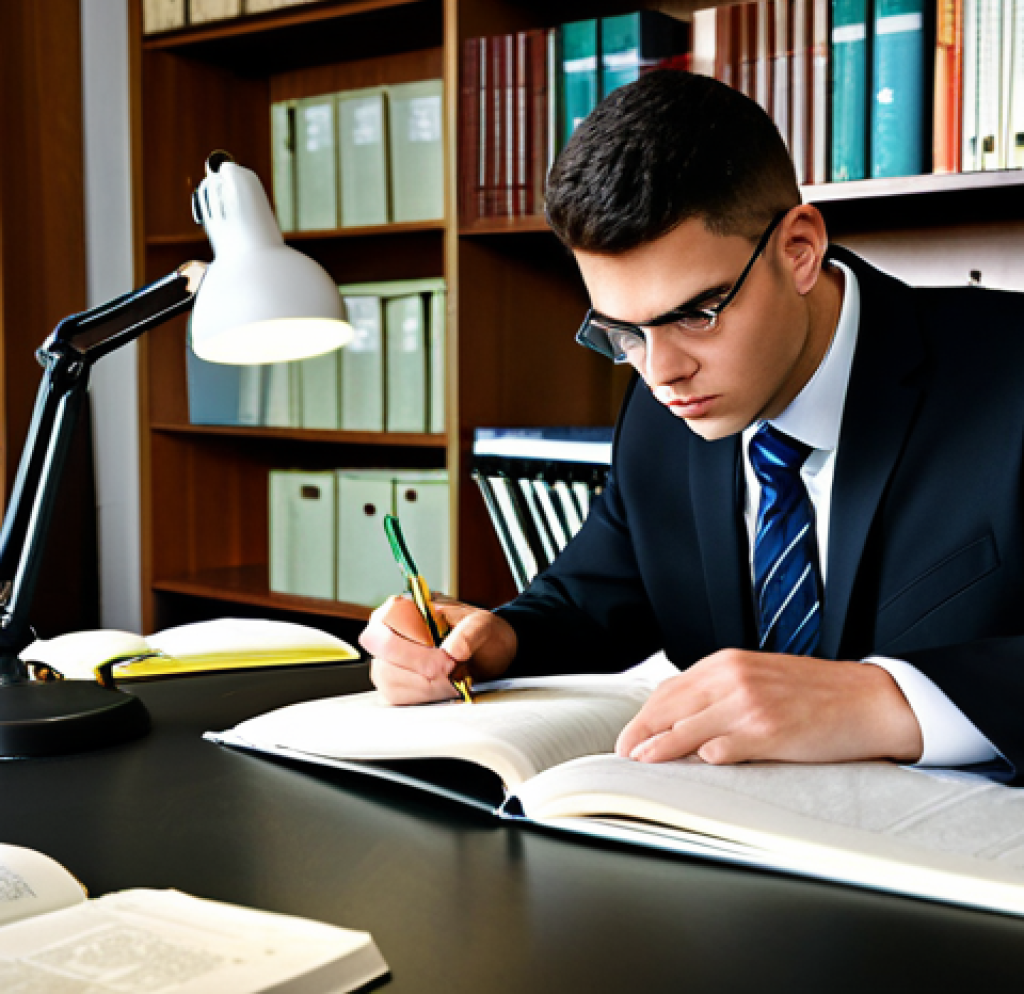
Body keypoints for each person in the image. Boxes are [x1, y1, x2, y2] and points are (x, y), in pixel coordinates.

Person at [362, 69, 1024, 783]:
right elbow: (596, 595)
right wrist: (492, 640)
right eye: (623, 332)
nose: (661, 372)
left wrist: (883, 702)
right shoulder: (663, 407)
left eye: (697, 313)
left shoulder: (1010, 371)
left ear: (799, 249)